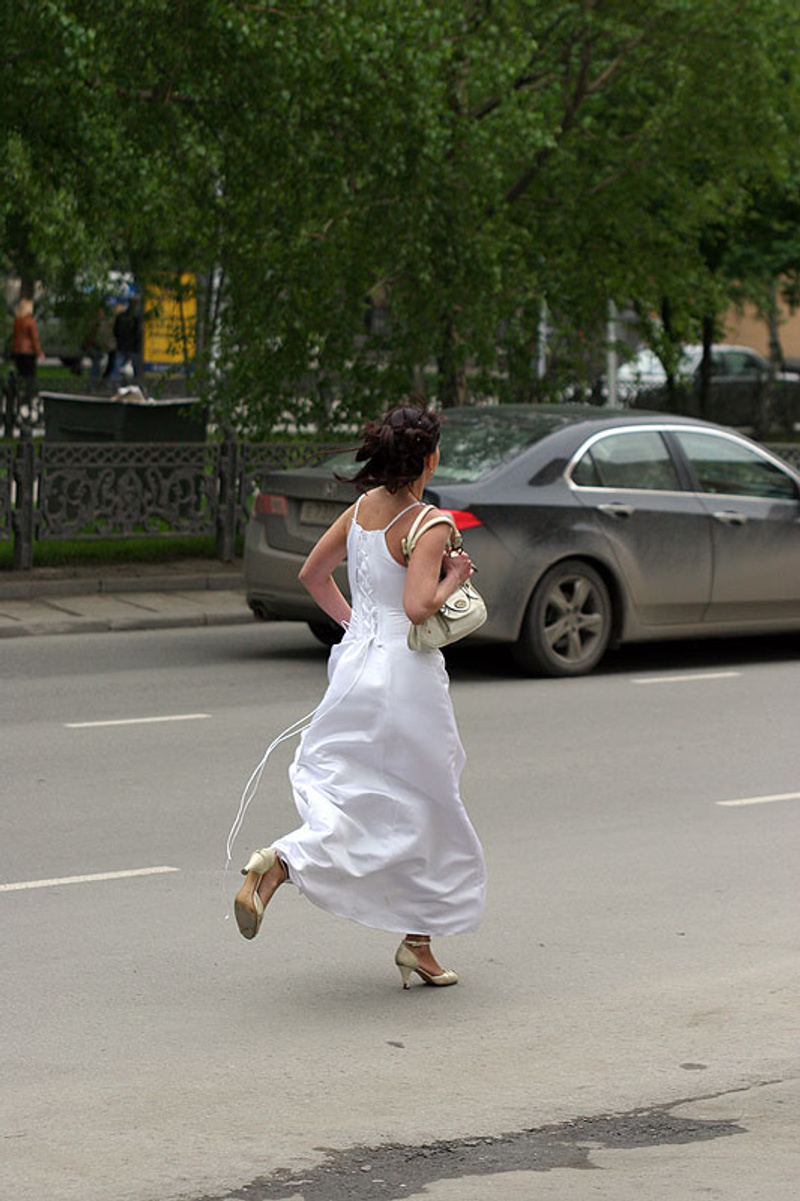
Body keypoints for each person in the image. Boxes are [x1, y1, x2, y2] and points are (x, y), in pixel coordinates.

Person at [230, 402, 486, 988]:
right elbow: (418, 608)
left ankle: (413, 940)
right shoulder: (430, 523)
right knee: (430, 802)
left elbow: (312, 575)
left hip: (356, 667)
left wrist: (356, 628)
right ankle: (287, 862)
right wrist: (455, 577)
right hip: (407, 676)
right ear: (429, 459)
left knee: (370, 795)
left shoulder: (363, 508)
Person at [11, 298, 44, 402]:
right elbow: (34, 338)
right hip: (28, 352)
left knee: (20, 374)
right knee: (30, 376)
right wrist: (39, 352)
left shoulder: (17, 321)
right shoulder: (30, 321)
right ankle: (28, 396)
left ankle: (17, 393)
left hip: (17, 351)